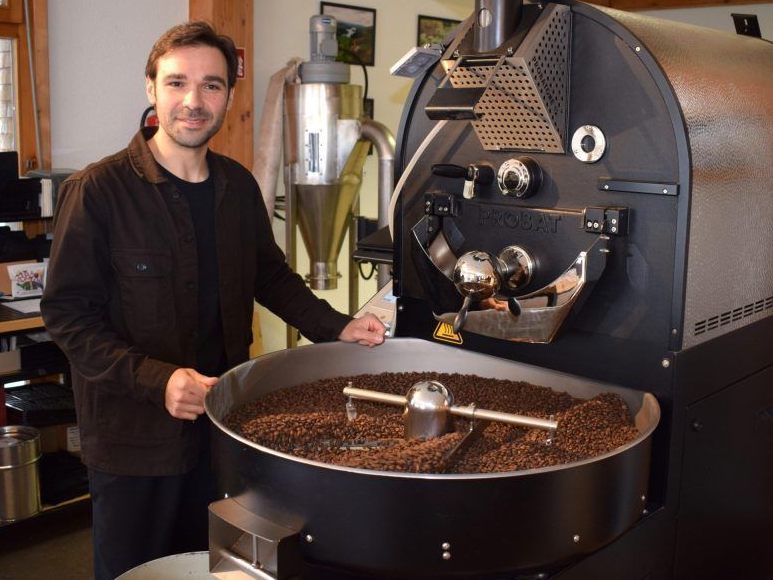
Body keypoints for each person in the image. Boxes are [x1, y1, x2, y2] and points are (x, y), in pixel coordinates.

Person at [40, 21, 385, 580]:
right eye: (177, 83)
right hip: (135, 444)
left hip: (222, 432)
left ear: (228, 96)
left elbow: (269, 276)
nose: (193, 101)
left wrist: (337, 326)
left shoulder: (237, 187)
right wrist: (157, 380)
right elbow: (68, 318)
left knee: (212, 568)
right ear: (151, 89)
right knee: (138, 573)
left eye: (211, 85)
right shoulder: (97, 191)